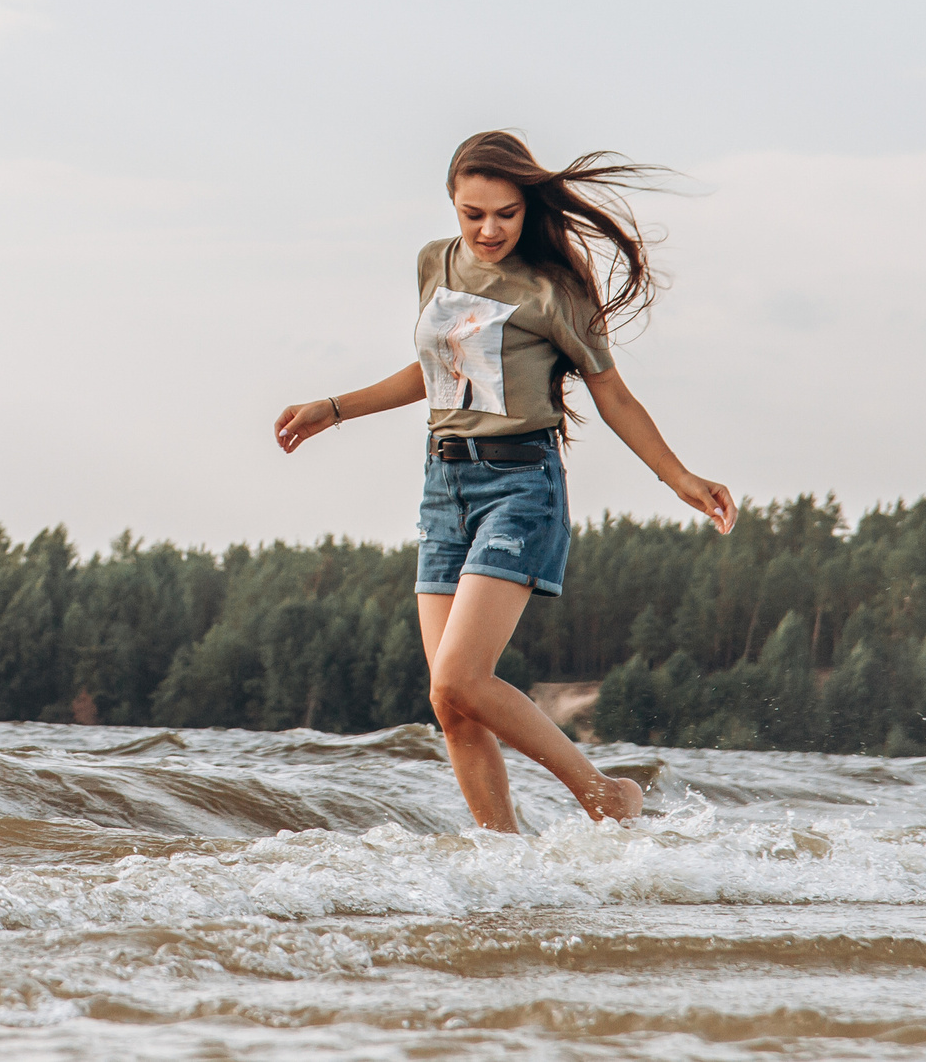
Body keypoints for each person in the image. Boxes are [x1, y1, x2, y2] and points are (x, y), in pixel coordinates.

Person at [273, 131, 734, 831]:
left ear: (528, 208)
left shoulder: (553, 290)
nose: (488, 229)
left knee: (462, 675)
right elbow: (434, 369)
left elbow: (612, 393)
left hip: (522, 487)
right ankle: (504, 861)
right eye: (473, 213)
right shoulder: (435, 262)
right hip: (444, 486)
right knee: (448, 700)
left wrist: (679, 477)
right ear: (453, 206)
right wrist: (334, 408)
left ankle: (604, 793)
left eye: (506, 214)